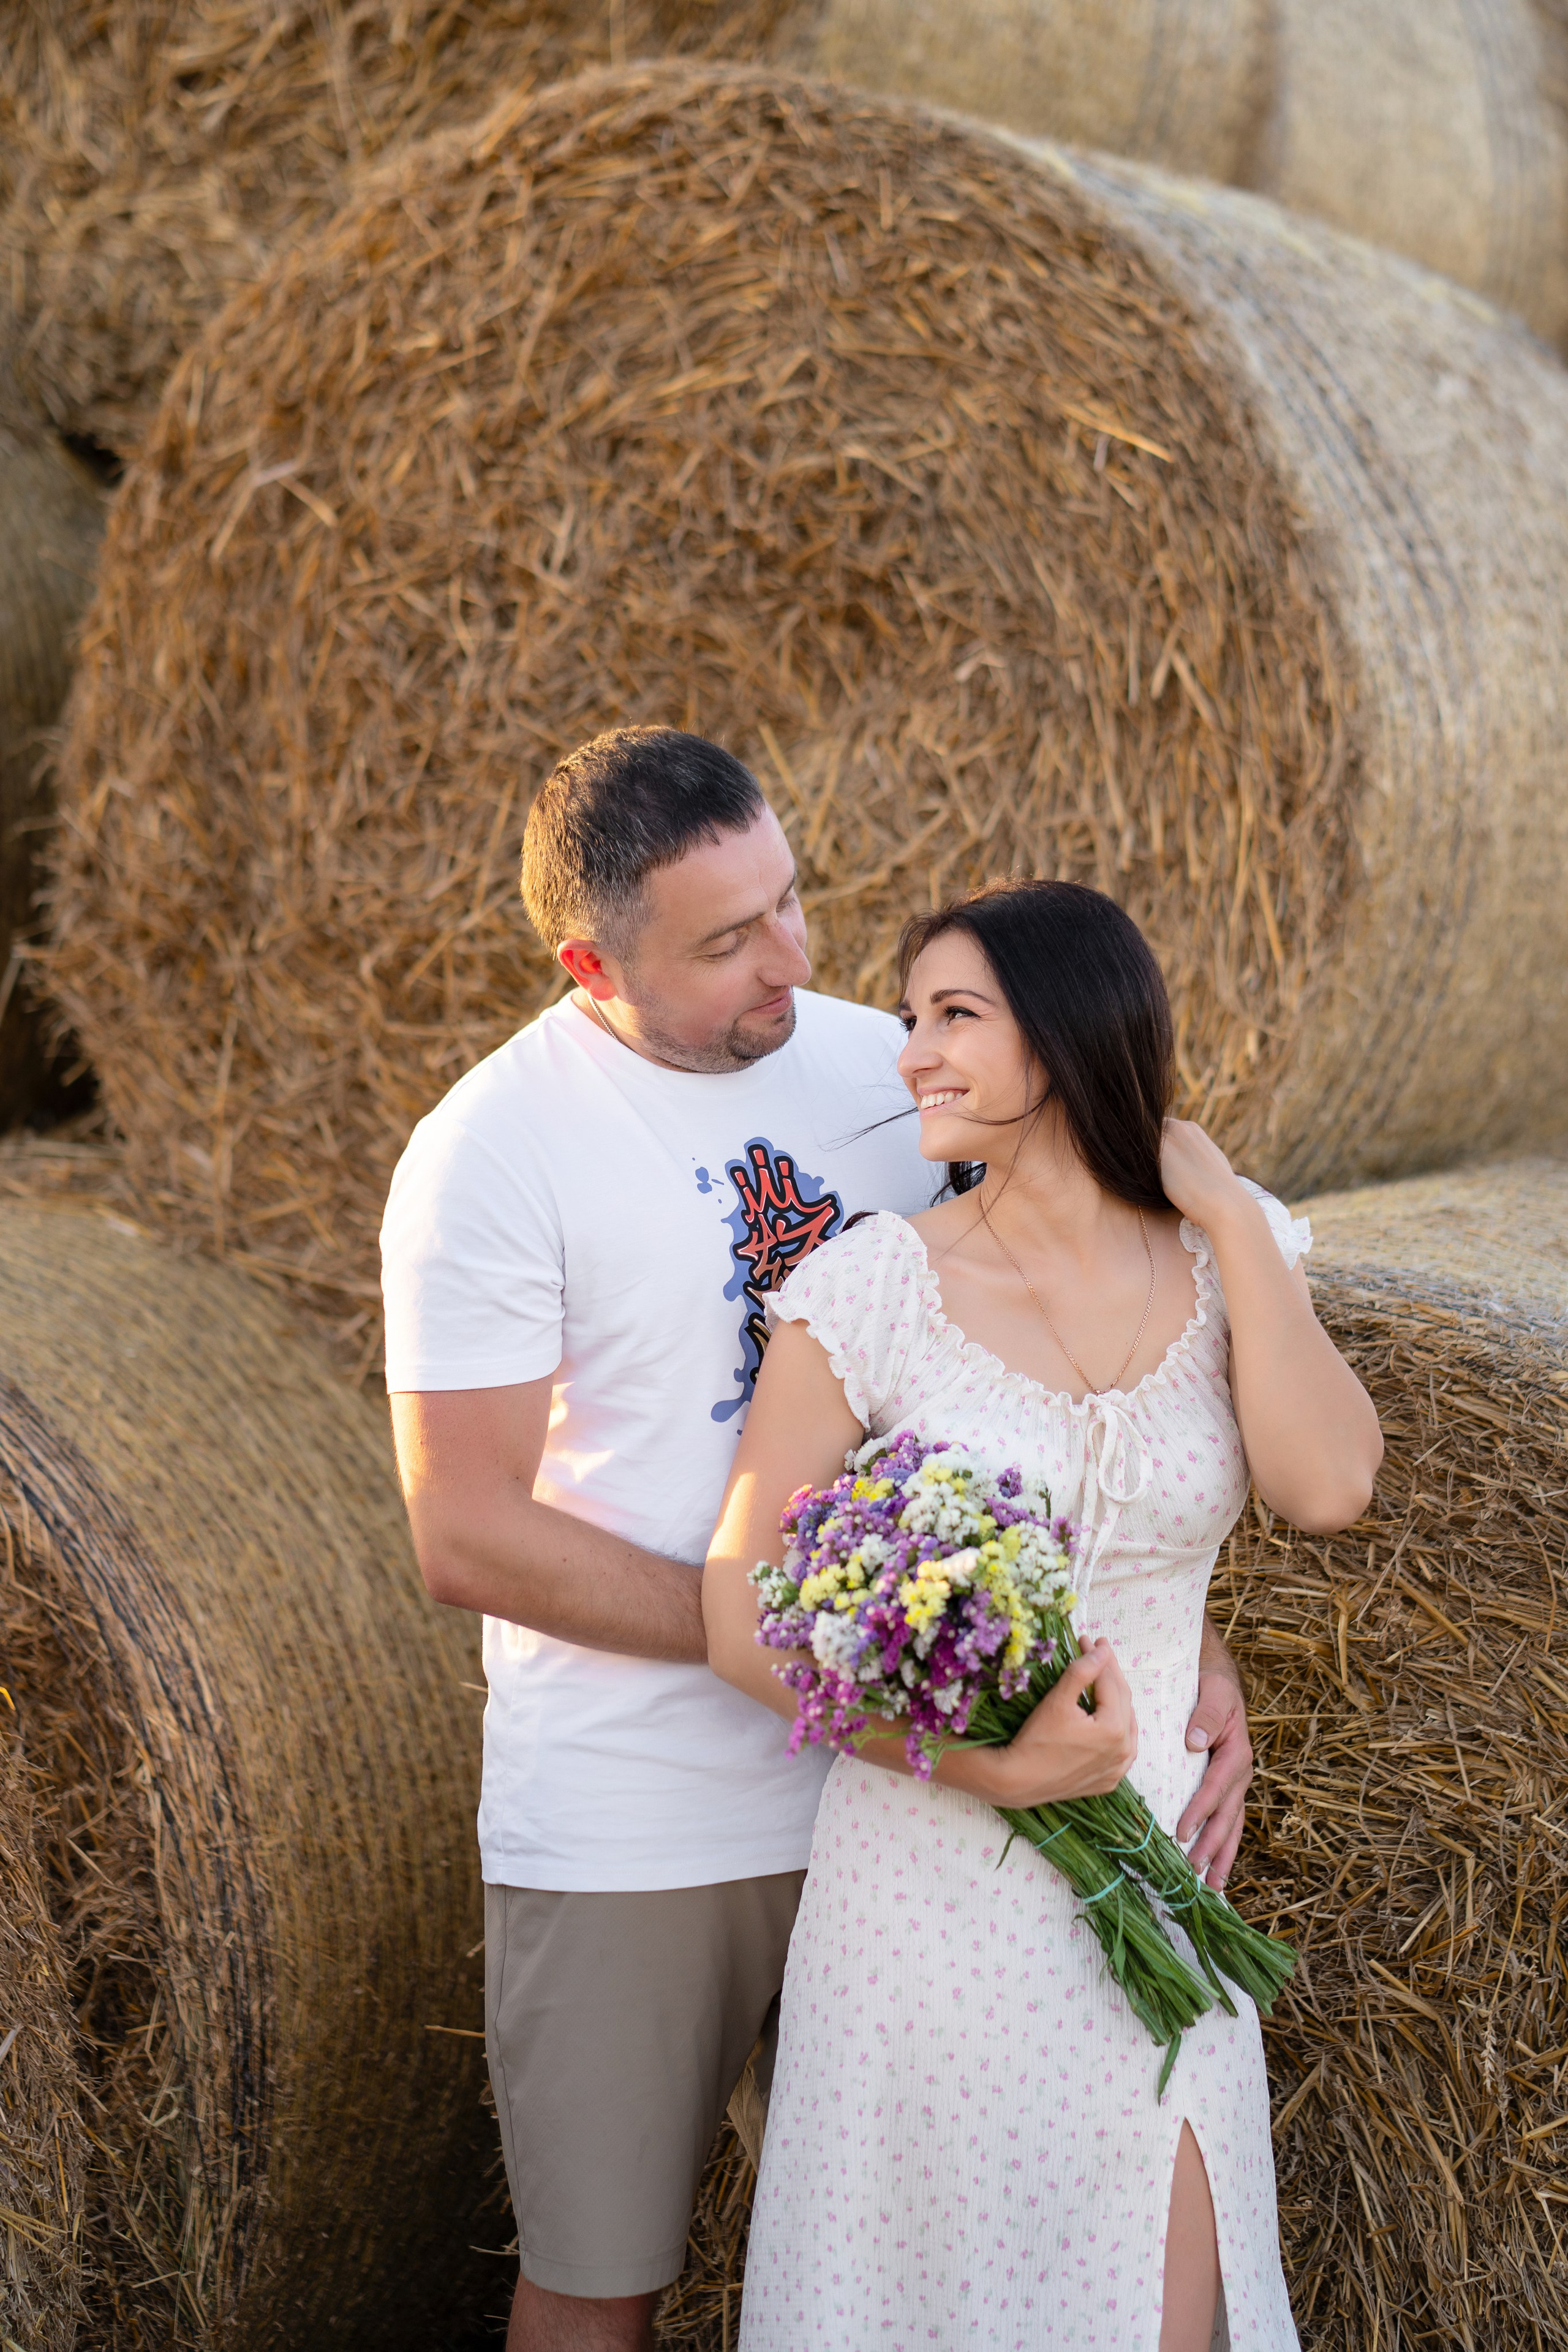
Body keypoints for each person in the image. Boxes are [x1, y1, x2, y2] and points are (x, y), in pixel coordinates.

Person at [382, 734, 1260, 2352]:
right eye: (726, 945)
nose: (790, 962)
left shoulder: (893, 1065)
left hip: (919, 1833)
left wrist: (1155, 1624)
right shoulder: (492, 1153)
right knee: (600, 2278)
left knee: (921, 2284)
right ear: (593, 960)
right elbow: (469, 1530)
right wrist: (821, 1635)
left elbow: (1078, 1357)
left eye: (788, 905)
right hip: (644, 1817)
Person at [705, 878, 1384, 2352]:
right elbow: (735, 1612)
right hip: (923, 1899)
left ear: (1069, 1031)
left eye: (954, 1016)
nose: (912, 1056)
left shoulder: (1224, 1251)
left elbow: (1326, 1485)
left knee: (1168, 2313)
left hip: (1148, 1886)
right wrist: (993, 1765)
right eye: (907, 1020)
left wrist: (1220, 1212)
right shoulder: (869, 1287)